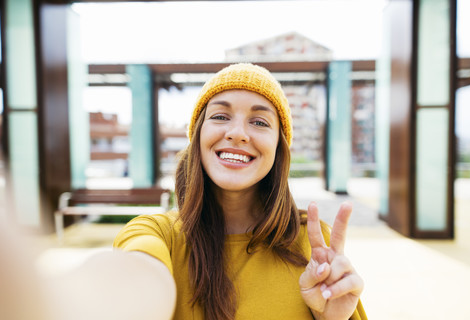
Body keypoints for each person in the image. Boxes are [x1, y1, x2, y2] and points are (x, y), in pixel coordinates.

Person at [114, 63, 366, 320]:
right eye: (220, 116)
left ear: (279, 147)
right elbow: (137, 267)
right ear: (198, 135)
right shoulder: (157, 234)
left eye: (259, 122)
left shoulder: (312, 243)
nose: (237, 134)